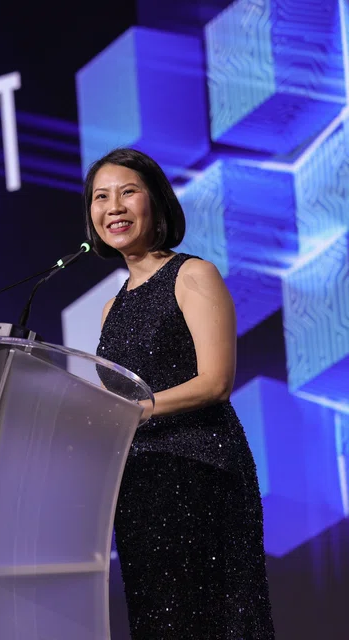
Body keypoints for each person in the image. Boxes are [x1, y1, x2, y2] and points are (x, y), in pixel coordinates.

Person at [87, 148, 275, 639]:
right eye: (101, 197)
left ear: (157, 203)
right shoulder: (112, 308)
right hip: (139, 489)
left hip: (201, 474)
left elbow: (215, 381)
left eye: (128, 192)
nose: (114, 207)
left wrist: (138, 410)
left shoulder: (192, 275)